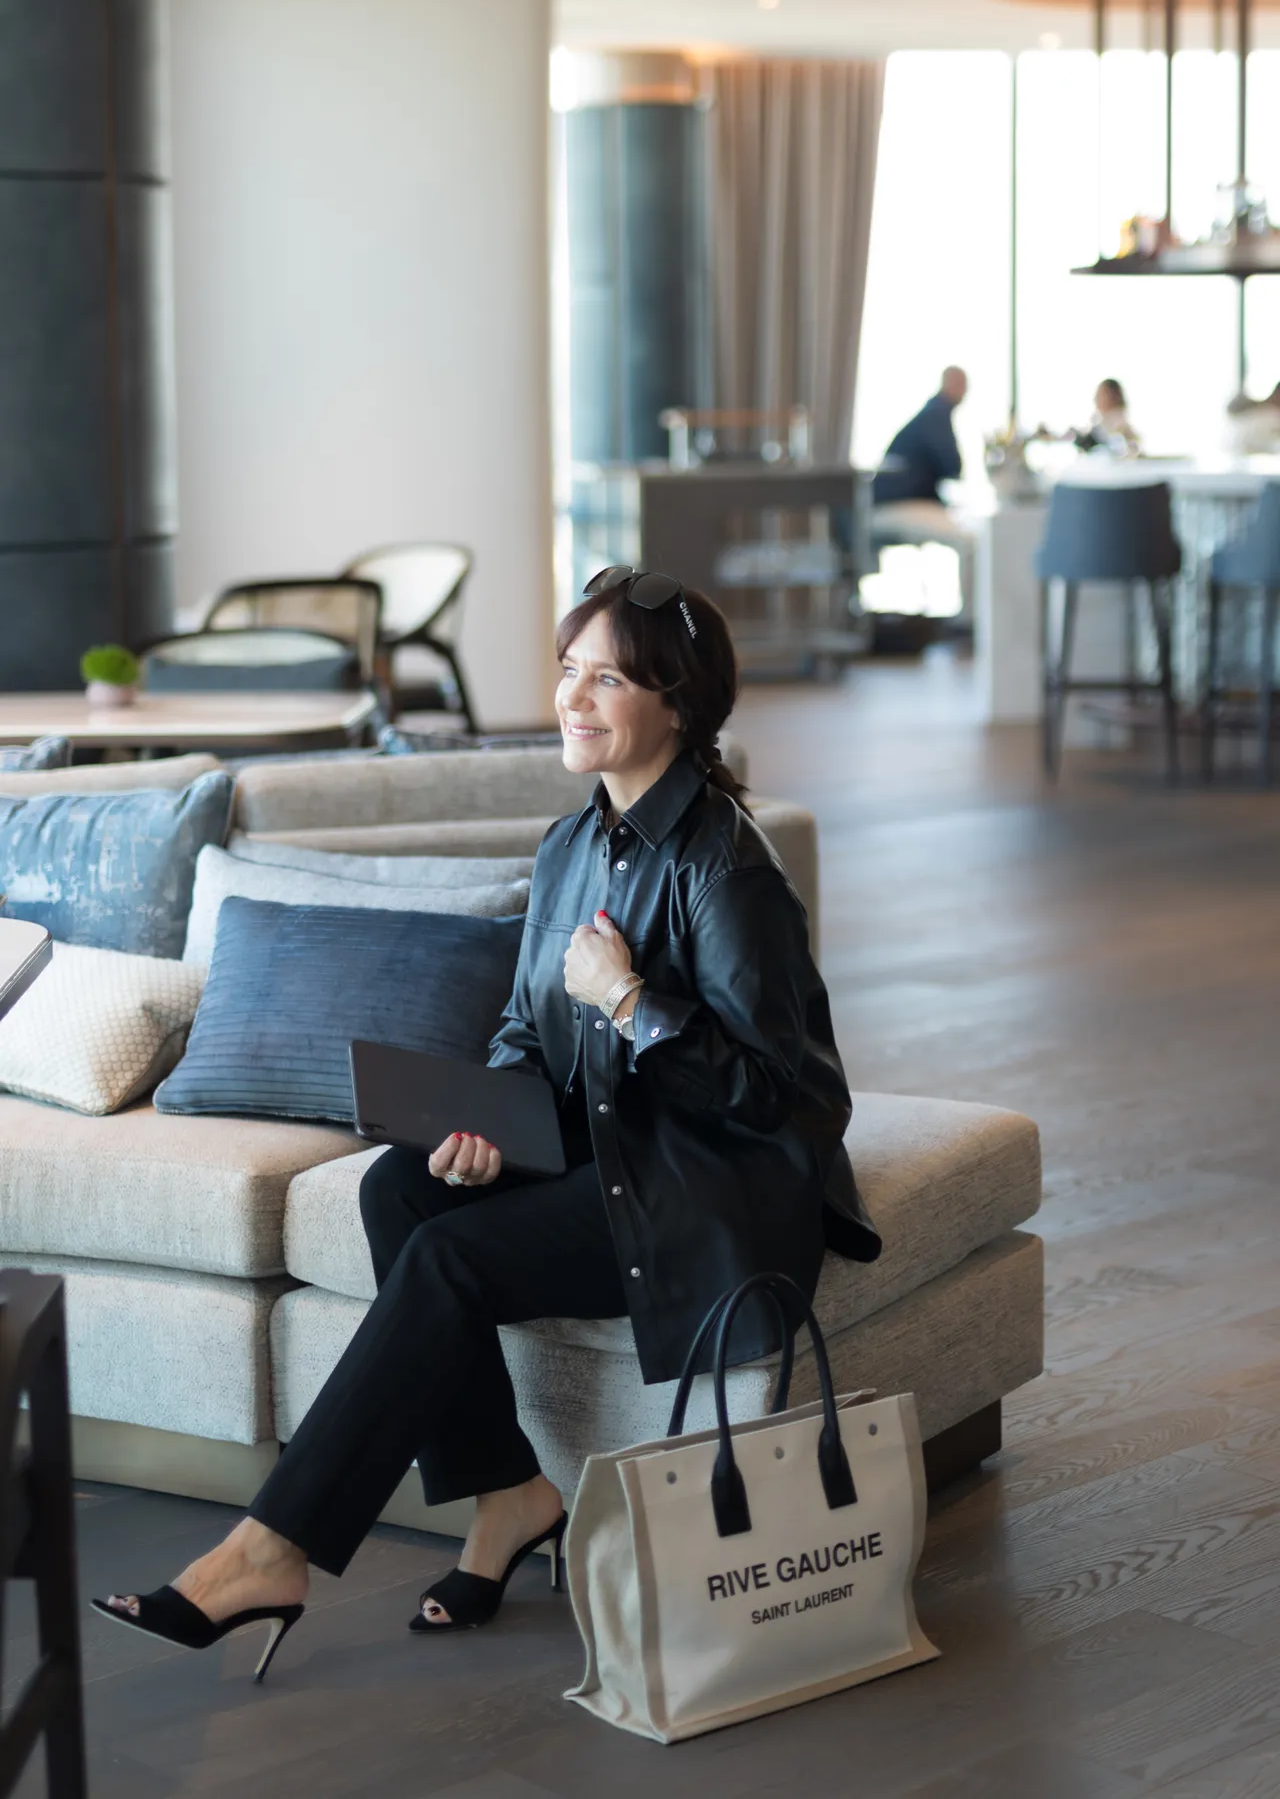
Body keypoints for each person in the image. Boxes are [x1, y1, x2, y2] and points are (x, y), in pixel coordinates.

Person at [93, 566, 881, 1674]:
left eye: (608, 676)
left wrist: (629, 998)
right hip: (603, 1157)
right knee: (398, 1187)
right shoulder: (567, 848)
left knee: (452, 1262)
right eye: (569, 669)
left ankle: (268, 1550)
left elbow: (787, 1105)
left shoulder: (727, 871)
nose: (574, 696)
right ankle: (511, 1495)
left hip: (701, 1189)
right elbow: (522, 1031)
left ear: (680, 705)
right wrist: (489, 1127)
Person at [873, 366, 968, 506]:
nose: (965, 391)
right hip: (901, 498)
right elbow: (952, 466)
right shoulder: (936, 415)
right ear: (951, 383)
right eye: (963, 385)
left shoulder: (932, 411)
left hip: (895, 495)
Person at [1073, 379, 1139, 455]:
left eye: (1102, 394)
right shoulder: (1099, 421)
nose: (1096, 398)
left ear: (1114, 396)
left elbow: (1132, 447)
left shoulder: (1119, 422)